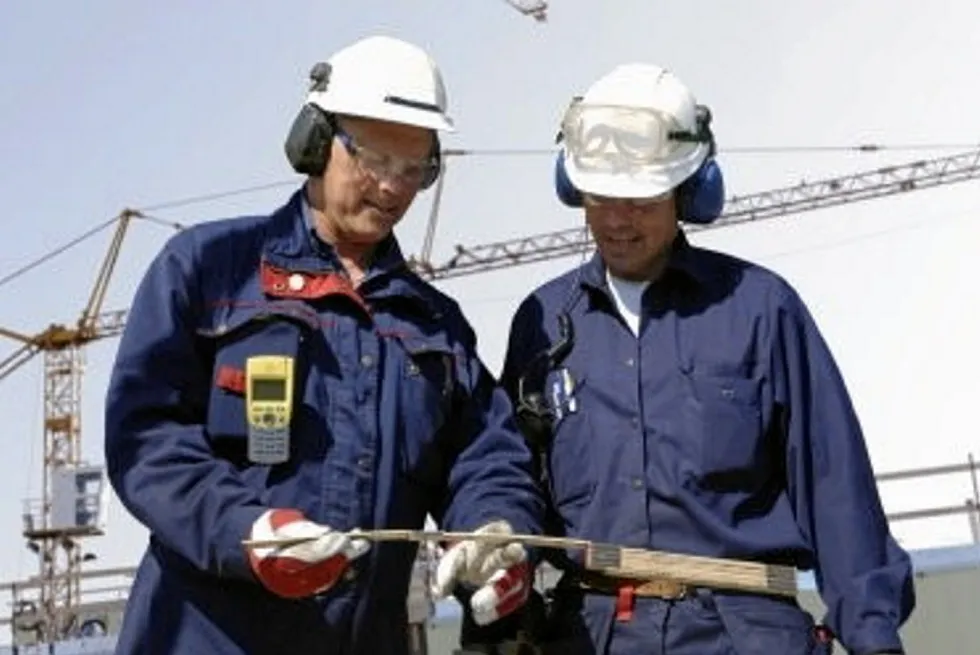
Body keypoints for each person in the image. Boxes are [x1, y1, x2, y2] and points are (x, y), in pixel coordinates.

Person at [104, 35, 544, 655]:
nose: (393, 188)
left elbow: (485, 457)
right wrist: (247, 531)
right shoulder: (209, 271)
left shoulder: (436, 326)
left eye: (413, 168)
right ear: (314, 141)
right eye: (372, 159)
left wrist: (495, 532)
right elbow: (147, 440)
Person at [470, 63, 916, 654]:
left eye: (639, 200)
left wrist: (875, 640)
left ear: (689, 191)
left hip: (745, 633)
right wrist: (497, 539)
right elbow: (510, 474)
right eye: (600, 197)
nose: (615, 220)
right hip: (592, 634)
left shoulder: (760, 309)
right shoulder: (543, 321)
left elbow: (836, 489)